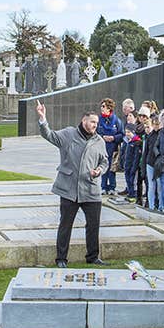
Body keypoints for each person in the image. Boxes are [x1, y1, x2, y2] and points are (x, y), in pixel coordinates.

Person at [35, 102, 108, 268]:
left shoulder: (99, 141)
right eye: (92, 122)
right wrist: (42, 118)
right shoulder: (68, 134)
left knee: (93, 226)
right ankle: (61, 259)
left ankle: (93, 257)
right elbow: (49, 135)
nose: (95, 125)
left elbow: (105, 161)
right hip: (69, 189)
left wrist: (99, 170)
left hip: (91, 190)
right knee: (65, 225)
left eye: (97, 123)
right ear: (84, 121)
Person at [96, 99, 123, 196]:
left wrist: (113, 138)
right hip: (102, 148)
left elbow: (122, 134)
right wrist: (102, 137)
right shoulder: (98, 120)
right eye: (101, 106)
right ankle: (103, 187)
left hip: (113, 148)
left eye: (104, 106)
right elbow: (95, 132)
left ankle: (112, 187)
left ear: (109, 108)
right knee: (102, 168)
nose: (101, 108)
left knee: (112, 168)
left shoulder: (116, 120)